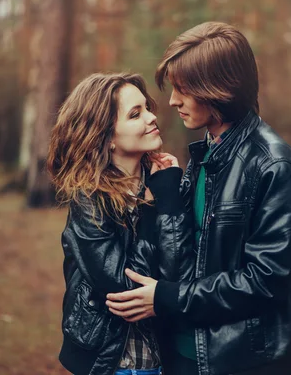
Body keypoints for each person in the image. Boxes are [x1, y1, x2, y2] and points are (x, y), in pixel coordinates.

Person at [105, 22, 291, 375]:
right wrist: (169, 194)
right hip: (185, 354)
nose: (172, 101)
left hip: (243, 362)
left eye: (183, 90)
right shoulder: (206, 154)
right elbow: (188, 256)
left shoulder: (273, 165)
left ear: (218, 90)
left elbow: (265, 282)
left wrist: (166, 298)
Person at [47, 72, 191, 375]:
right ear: (107, 136)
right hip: (113, 363)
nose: (153, 117)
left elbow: (182, 271)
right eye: (136, 114)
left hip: (168, 359)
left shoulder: (165, 183)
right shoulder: (88, 200)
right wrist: (157, 207)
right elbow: (126, 288)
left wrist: (166, 195)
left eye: (147, 108)